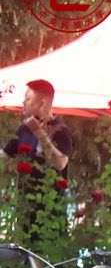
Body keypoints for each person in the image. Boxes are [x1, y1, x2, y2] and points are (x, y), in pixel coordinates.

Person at [3, 79, 74, 250]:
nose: (23, 102)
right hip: (24, 210)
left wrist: (40, 133)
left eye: (28, 99)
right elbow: (3, 156)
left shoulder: (61, 131)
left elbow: (60, 163)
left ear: (41, 103)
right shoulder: (23, 129)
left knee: (48, 260)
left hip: (50, 214)